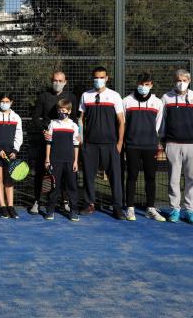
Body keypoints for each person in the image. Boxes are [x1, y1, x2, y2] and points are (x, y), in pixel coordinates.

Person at [78, 66, 126, 220]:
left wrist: (119, 143)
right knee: (88, 176)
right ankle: (89, 204)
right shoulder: (86, 95)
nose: (98, 80)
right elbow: (80, 119)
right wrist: (81, 141)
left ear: (106, 78)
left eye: (101, 77)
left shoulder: (114, 96)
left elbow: (121, 121)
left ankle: (117, 207)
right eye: (96, 77)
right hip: (90, 145)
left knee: (115, 177)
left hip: (110, 144)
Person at [30, 70, 78, 214]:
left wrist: (77, 136)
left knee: (65, 174)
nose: (57, 83)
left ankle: (65, 201)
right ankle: (37, 201)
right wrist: (44, 131)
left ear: (65, 82)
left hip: (65, 145)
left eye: (60, 80)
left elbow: (74, 119)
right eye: (55, 80)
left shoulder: (71, 97)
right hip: (46, 142)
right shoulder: (43, 96)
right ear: (52, 81)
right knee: (42, 172)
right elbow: (35, 118)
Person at [123, 72, 165, 222]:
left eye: (147, 85)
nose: (144, 87)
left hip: (150, 146)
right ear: (137, 84)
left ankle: (150, 208)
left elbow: (158, 125)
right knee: (132, 177)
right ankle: (130, 208)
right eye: (141, 84)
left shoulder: (158, 102)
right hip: (132, 146)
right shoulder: (126, 101)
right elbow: (124, 124)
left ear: (151, 85)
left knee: (150, 177)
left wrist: (154, 141)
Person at [160, 69, 193, 223]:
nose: (181, 83)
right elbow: (162, 121)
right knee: (173, 178)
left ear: (189, 81)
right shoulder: (166, 97)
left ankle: (190, 210)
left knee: (191, 178)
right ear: (174, 81)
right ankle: (175, 209)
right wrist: (163, 140)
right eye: (179, 80)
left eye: (184, 80)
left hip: (191, 145)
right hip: (172, 144)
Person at [0, 93, 23, 219]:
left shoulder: (16, 117)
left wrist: (15, 150)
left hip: (11, 153)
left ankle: (10, 206)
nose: (5, 103)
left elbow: (19, 136)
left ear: (11, 102)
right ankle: (2, 206)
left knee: (9, 180)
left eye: (7, 101)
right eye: (2, 101)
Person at [44, 99, 80, 221]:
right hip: (55, 160)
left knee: (72, 186)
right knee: (54, 186)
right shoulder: (53, 124)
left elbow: (76, 144)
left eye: (63, 110)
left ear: (69, 111)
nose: (61, 112)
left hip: (70, 161)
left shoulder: (73, 125)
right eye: (59, 110)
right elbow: (48, 143)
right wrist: (47, 159)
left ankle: (74, 211)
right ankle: (50, 210)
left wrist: (75, 161)